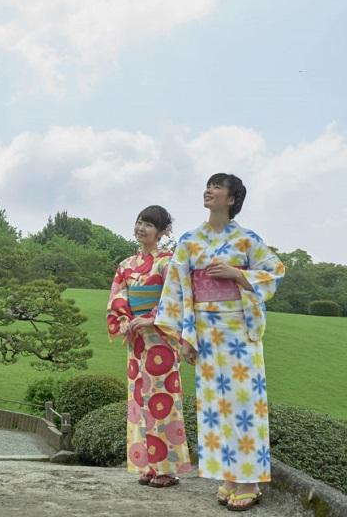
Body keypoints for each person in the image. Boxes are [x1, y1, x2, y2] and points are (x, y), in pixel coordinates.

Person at [154, 173, 284, 511]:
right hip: (205, 332)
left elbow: (275, 270)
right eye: (208, 185)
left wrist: (238, 274)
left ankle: (250, 481)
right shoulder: (189, 241)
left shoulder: (247, 240)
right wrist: (185, 336)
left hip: (239, 333)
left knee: (245, 406)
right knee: (215, 407)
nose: (209, 190)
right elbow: (177, 289)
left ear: (232, 198)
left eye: (217, 186)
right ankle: (229, 476)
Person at [106, 205, 192, 488]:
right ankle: (148, 466)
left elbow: (174, 299)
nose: (142, 228)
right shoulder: (126, 265)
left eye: (149, 225)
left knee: (162, 403)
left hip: (160, 341)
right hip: (137, 341)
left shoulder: (168, 263)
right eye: (140, 222)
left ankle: (167, 468)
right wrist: (129, 321)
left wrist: (149, 319)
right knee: (139, 402)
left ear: (163, 232)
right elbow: (118, 297)